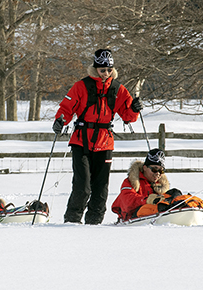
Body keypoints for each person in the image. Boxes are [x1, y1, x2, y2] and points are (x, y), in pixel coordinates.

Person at [53, 49, 142, 224]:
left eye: (109, 70)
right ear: (95, 69)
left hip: (105, 142)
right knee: (83, 186)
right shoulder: (81, 86)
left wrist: (134, 109)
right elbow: (66, 109)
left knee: (101, 188)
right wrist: (60, 122)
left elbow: (127, 116)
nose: (106, 74)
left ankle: (94, 222)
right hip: (81, 141)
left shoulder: (118, 89)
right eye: (102, 70)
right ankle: (72, 220)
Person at [111, 148, 171, 222]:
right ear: (145, 168)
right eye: (154, 170)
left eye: (161, 170)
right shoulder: (131, 182)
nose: (157, 173)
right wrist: (147, 200)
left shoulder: (160, 185)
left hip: (156, 217)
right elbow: (127, 201)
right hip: (132, 221)